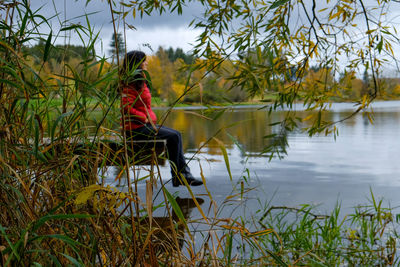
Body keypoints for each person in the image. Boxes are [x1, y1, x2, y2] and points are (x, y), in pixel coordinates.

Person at [120, 50, 203, 187]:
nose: (146, 63)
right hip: (135, 128)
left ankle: (182, 174)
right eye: (143, 60)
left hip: (144, 125)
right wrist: (143, 118)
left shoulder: (139, 81)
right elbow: (126, 107)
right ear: (137, 63)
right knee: (173, 137)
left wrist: (148, 118)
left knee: (176, 134)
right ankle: (180, 176)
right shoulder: (129, 83)